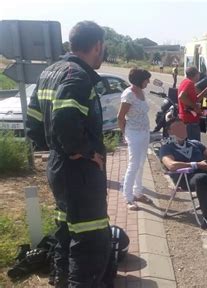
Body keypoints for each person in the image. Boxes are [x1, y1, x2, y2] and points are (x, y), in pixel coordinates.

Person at [25, 21, 111, 287]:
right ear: (97, 45)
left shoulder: (50, 72)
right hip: (80, 172)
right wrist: (84, 152)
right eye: (103, 48)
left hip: (59, 167)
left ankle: (60, 281)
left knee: (65, 231)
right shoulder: (77, 76)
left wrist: (57, 149)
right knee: (89, 240)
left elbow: (34, 123)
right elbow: (64, 121)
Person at [117, 68, 154, 210]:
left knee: (141, 164)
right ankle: (128, 197)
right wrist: (125, 134)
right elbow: (120, 117)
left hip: (144, 132)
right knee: (133, 165)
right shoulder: (129, 95)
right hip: (133, 134)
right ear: (140, 80)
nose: (148, 82)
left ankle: (138, 192)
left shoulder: (141, 92)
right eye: (147, 79)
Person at [177, 66, 207, 141]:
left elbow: (195, 99)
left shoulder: (186, 82)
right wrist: (195, 107)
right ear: (196, 74)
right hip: (189, 120)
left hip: (190, 119)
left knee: (190, 144)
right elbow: (181, 97)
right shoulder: (189, 83)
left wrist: (205, 91)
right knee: (194, 145)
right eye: (198, 73)